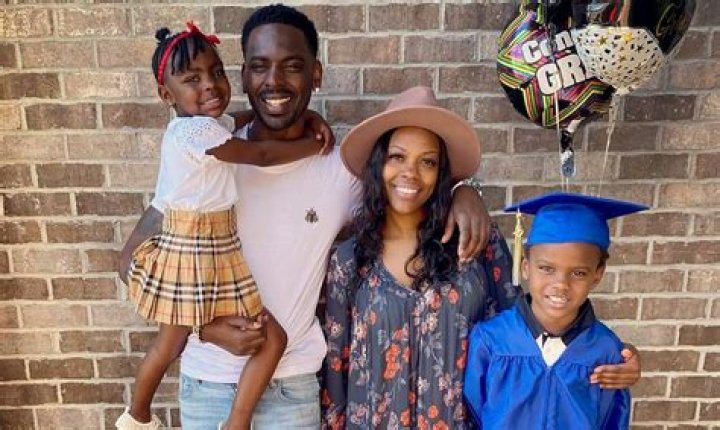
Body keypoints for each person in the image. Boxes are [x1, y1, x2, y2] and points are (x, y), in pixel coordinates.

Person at [118, 4, 636, 429]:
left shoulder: (340, 173)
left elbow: (406, 190)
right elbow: (134, 263)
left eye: (292, 66)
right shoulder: (209, 158)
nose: (274, 80)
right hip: (209, 380)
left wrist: (464, 188)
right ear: (244, 73)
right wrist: (204, 326)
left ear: (315, 74)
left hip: (295, 386)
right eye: (259, 65)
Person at [115, 22, 332, 430]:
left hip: (202, 247)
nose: (210, 85)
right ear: (166, 94)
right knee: (269, 339)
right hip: (200, 249)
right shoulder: (196, 133)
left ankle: (137, 414)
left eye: (216, 72)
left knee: (170, 344)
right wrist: (312, 144)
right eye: (192, 79)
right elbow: (262, 154)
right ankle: (227, 421)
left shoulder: (205, 127)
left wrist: (308, 115)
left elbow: (243, 118)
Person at [321, 86, 520, 429]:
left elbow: (517, 335)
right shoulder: (351, 260)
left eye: (427, 161)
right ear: (379, 164)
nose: (410, 173)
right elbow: (337, 367)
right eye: (397, 157)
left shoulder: (476, 242)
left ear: (441, 172)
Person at [464, 192, 645, 429]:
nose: (561, 284)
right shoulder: (491, 339)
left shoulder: (606, 351)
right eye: (547, 268)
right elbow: (473, 412)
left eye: (578, 273)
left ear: (597, 275)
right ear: (526, 267)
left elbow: (611, 421)